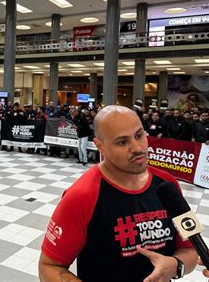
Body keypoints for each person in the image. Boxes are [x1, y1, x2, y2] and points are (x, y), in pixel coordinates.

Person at [39, 105, 198, 281]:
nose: (137, 148)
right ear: (101, 146)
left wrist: (176, 265)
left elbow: (191, 248)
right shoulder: (80, 196)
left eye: (139, 135)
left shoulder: (168, 185)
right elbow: (49, 266)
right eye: (122, 142)